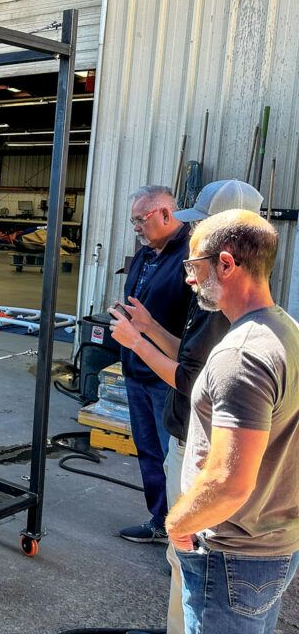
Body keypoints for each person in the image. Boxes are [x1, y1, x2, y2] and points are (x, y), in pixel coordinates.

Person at [108, 179, 264, 634]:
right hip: (190, 433)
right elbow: (192, 355)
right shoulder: (235, 309)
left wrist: (137, 342)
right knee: (189, 554)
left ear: (229, 252)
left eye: (203, 230)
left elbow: (189, 377)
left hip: (198, 442)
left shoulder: (235, 324)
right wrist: (149, 328)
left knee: (192, 552)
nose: (190, 276)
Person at [164, 209, 299, 634]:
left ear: (226, 264)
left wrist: (177, 524)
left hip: (232, 555)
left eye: (193, 267)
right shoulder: (286, 331)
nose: (190, 280)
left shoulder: (241, 356)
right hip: (273, 544)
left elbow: (227, 482)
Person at [114, 185, 193, 545]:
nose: (135, 228)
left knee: (172, 457)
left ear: (165, 213)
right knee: (148, 452)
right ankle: (160, 521)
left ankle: (184, 538)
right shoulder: (148, 254)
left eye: (139, 220)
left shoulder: (191, 258)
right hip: (135, 369)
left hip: (166, 376)